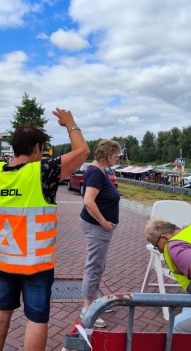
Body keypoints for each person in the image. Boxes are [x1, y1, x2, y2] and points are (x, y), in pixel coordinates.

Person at [0, 108, 89, 351]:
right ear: (37, 148)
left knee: (1, 307)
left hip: (3, 261)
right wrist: (70, 123)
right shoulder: (43, 171)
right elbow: (83, 152)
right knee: (37, 317)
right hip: (35, 264)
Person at [79, 139, 121, 328]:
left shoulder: (98, 170)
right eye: (116, 156)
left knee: (98, 265)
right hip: (97, 227)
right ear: (107, 157)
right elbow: (88, 201)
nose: (117, 159)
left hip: (100, 227)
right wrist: (104, 222)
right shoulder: (96, 172)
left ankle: (93, 302)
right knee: (94, 266)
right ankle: (88, 309)